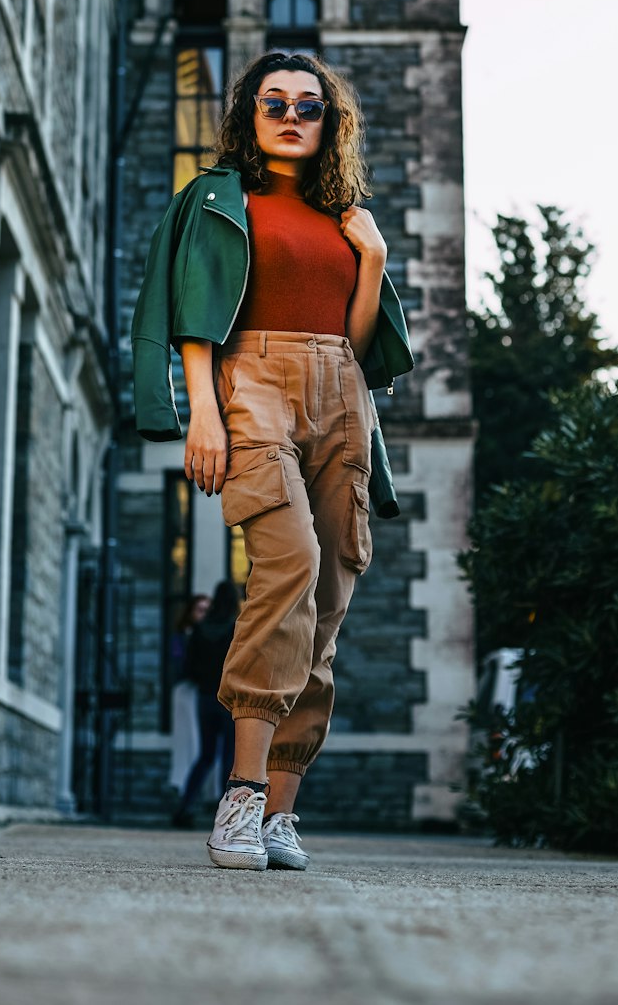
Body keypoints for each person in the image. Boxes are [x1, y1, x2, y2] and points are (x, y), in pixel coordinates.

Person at [131, 50, 414, 871]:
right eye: (274, 103)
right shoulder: (217, 199)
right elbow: (191, 316)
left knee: (327, 599)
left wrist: (375, 262)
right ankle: (241, 794)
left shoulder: (345, 217)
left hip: (342, 392)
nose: (292, 116)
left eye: (309, 106)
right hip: (250, 377)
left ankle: (282, 814)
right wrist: (204, 416)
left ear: (331, 122)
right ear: (250, 116)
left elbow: (361, 345)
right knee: (286, 562)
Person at [172, 580, 239, 827]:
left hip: (204, 698)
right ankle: (226, 815)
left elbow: (188, 667)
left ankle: (185, 805)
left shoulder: (200, 630)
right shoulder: (236, 629)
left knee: (206, 755)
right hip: (229, 699)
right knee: (228, 757)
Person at [168, 593, 211, 795]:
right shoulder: (182, 635)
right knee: (186, 737)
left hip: (203, 691)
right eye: (200, 610)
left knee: (200, 739)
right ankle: (181, 782)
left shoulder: (209, 634)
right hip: (186, 689)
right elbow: (178, 663)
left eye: (206, 610)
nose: (203, 614)